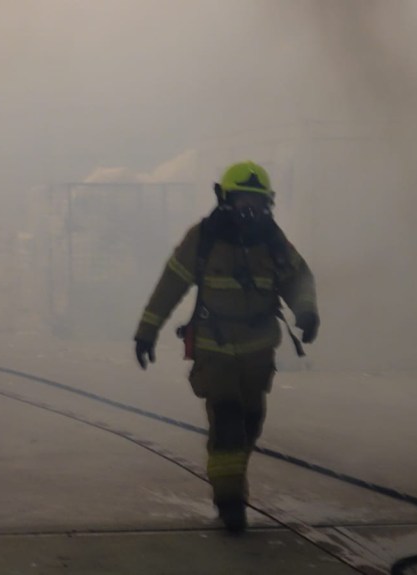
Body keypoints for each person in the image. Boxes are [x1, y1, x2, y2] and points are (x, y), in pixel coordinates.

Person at [133, 160, 319, 533]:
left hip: (258, 351)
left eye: (257, 202)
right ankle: (230, 503)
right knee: (229, 421)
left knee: (251, 422)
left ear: (268, 203)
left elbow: (298, 276)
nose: (249, 209)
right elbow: (171, 284)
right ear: (225, 199)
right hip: (213, 349)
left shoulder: (272, 240)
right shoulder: (203, 239)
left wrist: (307, 311)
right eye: (241, 200)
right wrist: (147, 330)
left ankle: (231, 481)